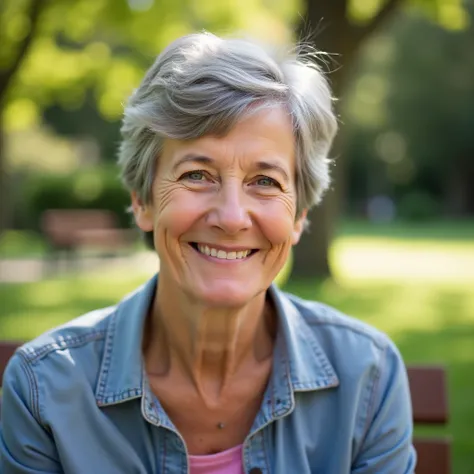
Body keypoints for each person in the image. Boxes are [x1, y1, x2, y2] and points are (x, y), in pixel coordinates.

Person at [0, 32, 416, 473]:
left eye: (265, 181)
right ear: (143, 200)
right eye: (197, 174)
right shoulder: (43, 388)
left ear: (298, 216)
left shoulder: (368, 377)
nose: (232, 217)